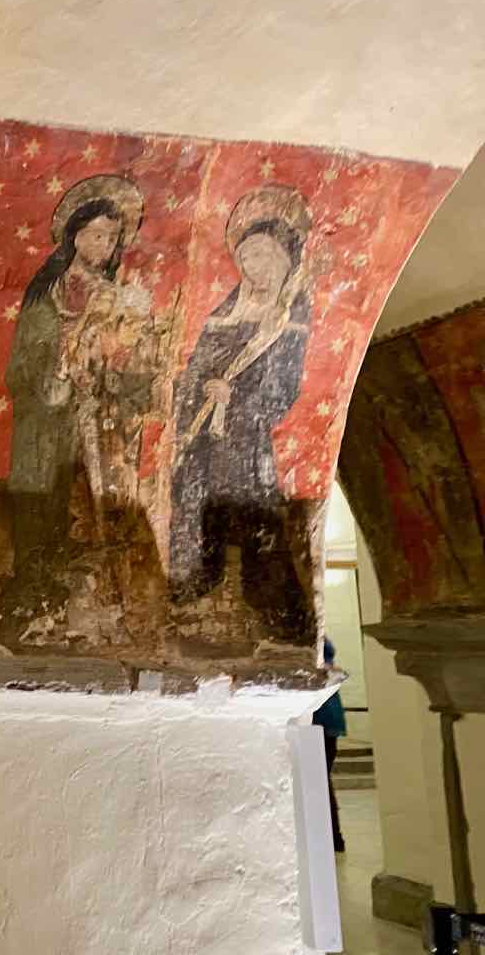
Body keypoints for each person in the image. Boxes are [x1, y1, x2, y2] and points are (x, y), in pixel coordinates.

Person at [170, 185, 312, 639]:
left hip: (246, 442)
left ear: (284, 260)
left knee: (254, 518)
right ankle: (197, 593)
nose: (254, 267)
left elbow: (284, 388)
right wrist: (195, 389)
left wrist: (234, 398)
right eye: (246, 258)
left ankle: (272, 615)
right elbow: (196, 368)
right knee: (197, 510)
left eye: (263, 257)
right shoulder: (225, 313)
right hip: (205, 440)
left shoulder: (289, 316)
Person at [4, 174, 148, 616]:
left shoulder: (119, 297)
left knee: (97, 514)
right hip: (48, 426)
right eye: (96, 234)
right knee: (44, 509)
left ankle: (97, 599)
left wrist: (119, 361)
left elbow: (133, 367)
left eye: (112, 237)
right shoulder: (47, 294)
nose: (104, 245)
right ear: (75, 236)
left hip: (97, 427)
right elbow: (21, 368)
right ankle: (37, 596)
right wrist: (63, 357)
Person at [313, 638, 348, 852]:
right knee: (321, 781)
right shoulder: (324, 646)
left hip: (318, 718)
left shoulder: (313, 646)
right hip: (328, 718)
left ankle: (329, 838)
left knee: (317, 781)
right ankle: (333, 838)